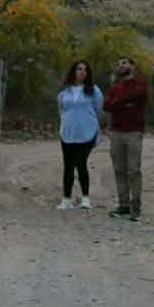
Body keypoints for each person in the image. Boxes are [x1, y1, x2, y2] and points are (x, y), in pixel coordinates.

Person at [102, 55, 150, 221]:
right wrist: (125, 103)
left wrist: (117, 102)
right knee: (119, 170)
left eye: (124, 63)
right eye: (118, 64)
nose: (121, 65)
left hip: (134, 132)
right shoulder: (114, 88)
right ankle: (124, 205)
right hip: (116, 132)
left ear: (132, 66)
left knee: (134, 170)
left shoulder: (141, 84)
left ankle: (136, 207)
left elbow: (138, 95)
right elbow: (107, 106)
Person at [56, 59, 102, 210]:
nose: (82, 72)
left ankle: (85, 198)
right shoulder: (65, 92)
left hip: (87, 133)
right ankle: (66, 199)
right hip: (68, 133)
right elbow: (61, 111)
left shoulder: (94, 90)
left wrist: (93, 125)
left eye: (85, 69)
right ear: (73, 71)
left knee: (81, 163)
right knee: (68, 165)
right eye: (79, 69)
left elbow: (98, 110)